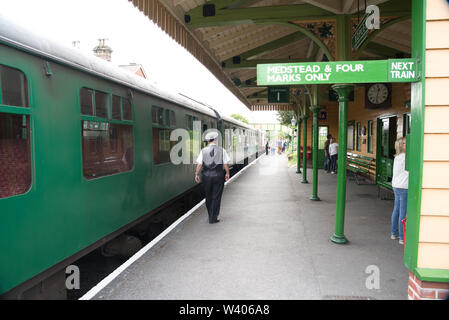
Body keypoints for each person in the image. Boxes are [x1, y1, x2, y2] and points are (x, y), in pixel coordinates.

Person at [195, 131, 230, 224]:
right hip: (218, 176)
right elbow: (225, 163)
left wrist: (196, 174)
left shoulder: (203, 151)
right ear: (215, 140)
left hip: (206, 177)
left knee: (208, 196)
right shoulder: (222, 150)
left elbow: (199, 164)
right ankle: (213, 217)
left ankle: (210, 215)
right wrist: (227, 173)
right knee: (216, 197)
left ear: (207, 141)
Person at [391, 137, 408, 245]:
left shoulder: (397, 157)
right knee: (403, 212)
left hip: (396, 185)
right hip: (403, 187)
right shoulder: (405, 157)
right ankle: (402, 237)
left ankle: (394, 233)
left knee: (396, 210)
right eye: (406, 143)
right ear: (401, 145)